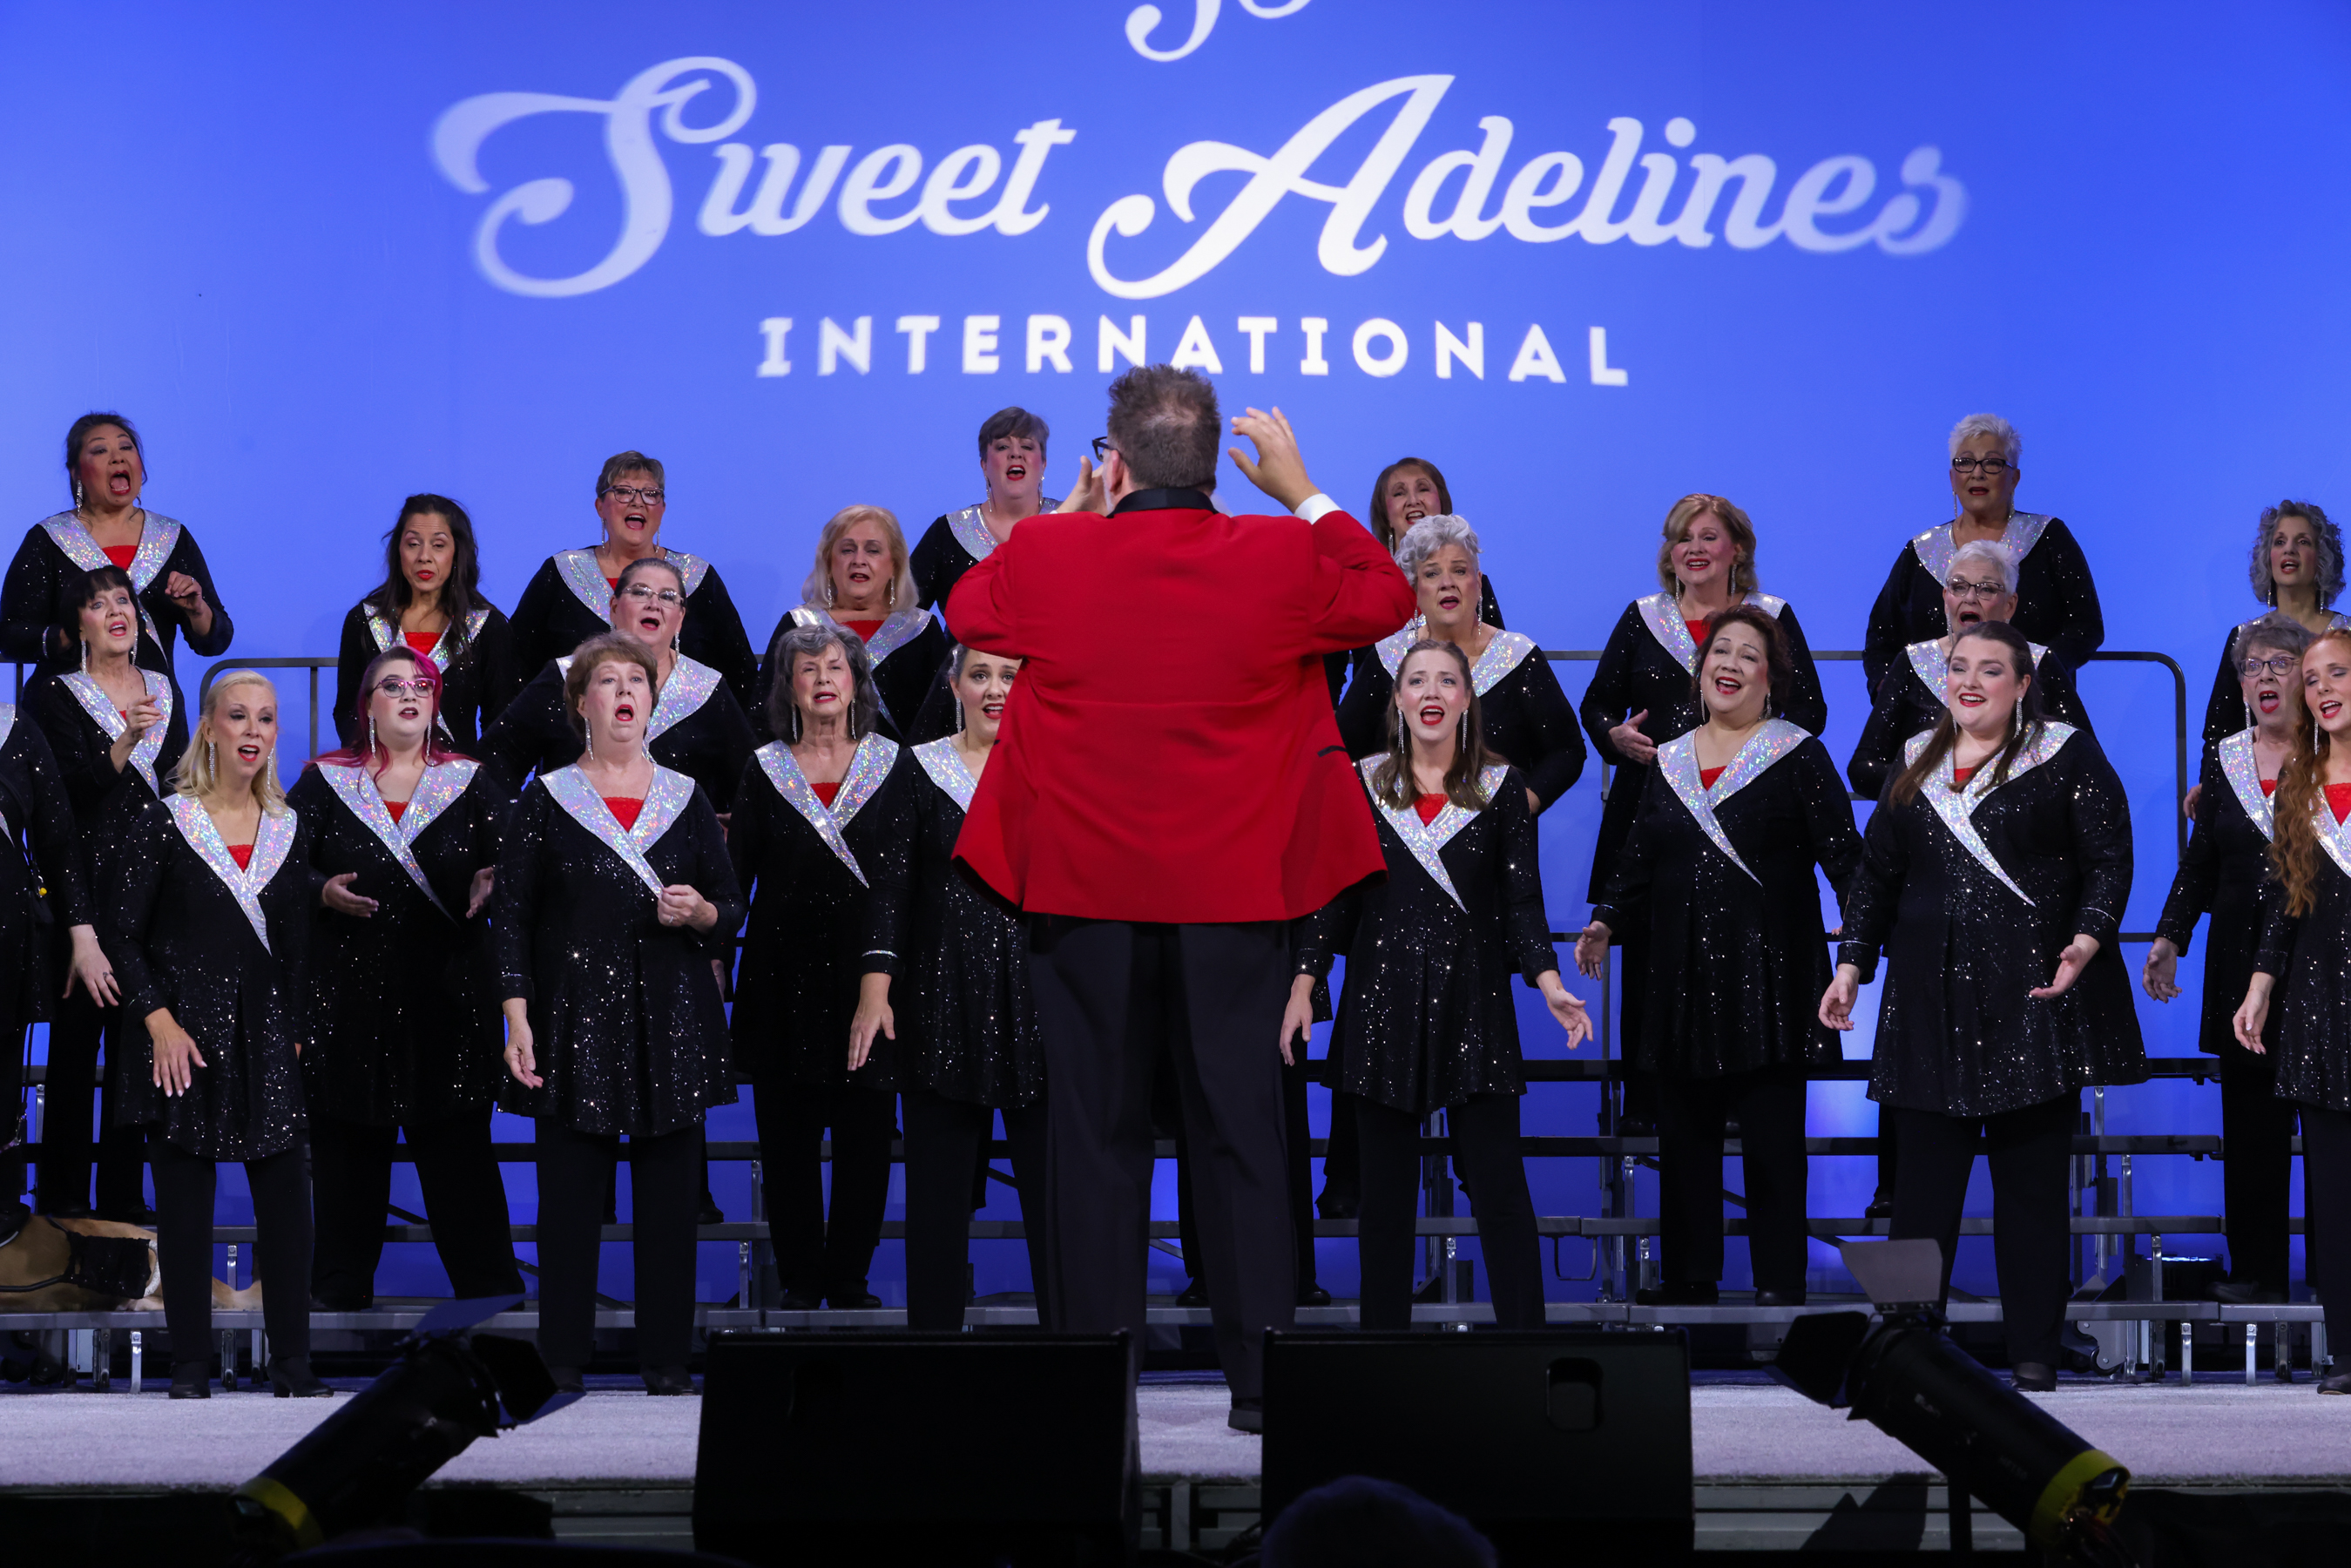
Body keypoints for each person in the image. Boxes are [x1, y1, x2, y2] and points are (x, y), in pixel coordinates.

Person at [947, 365, 1415, 1431]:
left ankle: (1092, 1387)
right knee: (1242, 1136)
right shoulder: (1281, 551)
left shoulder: (1052, 553)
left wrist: (1066, 517)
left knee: (1091, 1140)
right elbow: (1387, 598)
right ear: (1216, 464)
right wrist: (1302, 490)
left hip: (1083, 897)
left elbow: (968, 610)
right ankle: (1261, 1386)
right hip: (1234, 899)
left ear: (1112, 461)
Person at [1821, 622, 2145, 1391]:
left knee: (2030, 1192)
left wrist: (2086, 941)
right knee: (1918, 1202)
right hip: (1927, 1004)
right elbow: (1876, 877)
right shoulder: (1912, 761)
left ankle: (2034, 1350)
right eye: (1958, 668)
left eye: (1989, 669)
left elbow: (2109, 857)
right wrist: (1850, 966)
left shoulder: (2064, 752)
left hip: (2030, 1000)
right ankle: (1905, 1350)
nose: (1968, 682)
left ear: (2023, 684)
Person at [1287, 639, 1590, 1329]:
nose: (1431, 691)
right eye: (1417, 680)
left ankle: (1526, 1348)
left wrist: (1548, 981)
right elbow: (1331, 899)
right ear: (1397, 700)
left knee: (1499, 1191)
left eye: (1446, 680)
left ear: (1464, 699)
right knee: (1384, 1203)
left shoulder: (1502, 787)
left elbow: (1521, 901)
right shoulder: (1359, 784)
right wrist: (1304, 980)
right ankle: (1383, 1354)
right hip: (1381, 1006)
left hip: (1474, 1004)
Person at [1577, 608, 1861, 1307]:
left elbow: (1845, 860)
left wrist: (1856, 953)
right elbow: (1638, 856)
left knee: (1772, 1142)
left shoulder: (1797, 753)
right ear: (1701, 672)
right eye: (1719, 653)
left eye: (1747, 655)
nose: (1728, 664)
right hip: (1680, 973)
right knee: (1684, 1140)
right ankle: (1689, 1277)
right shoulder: (1669, 760)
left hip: (1771, 976)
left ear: (1771, 679)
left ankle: (1779, 1281)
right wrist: (1605, 920)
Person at [495, 633, 742, 1393]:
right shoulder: (546, 798)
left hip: (671, 1018)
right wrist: (517, 1019)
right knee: (569, 1205)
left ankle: (666, 1361)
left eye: (636, 679)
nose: (625, 690)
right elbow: (512, 918)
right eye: (608, 681)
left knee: (669, 1204)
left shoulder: (685, 797)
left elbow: (729, 908)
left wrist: (702, 913)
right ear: (582, 704)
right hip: (572, 1019)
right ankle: (563, 1359)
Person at [101, 672, 326, 1397]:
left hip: (266, 1036)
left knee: (288, 1209)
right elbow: (120, 935)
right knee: (185, 1209)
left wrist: (294, 1033)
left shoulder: (289, 828)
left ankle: (293, 1365)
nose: (253, 730)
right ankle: (190, 1368)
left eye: (266, 718)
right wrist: (158, 1021)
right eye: (238, 716)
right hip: (181, 1039)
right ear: (208, 728)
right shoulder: (165, 822)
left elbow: (299, 949)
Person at [1579, 494, 1827, 1134]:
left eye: (1708, 536)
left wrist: (1751, 751)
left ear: (1736, 548)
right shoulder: (1642, 618)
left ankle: (1746, 1097)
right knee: (1652, 952)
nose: (1692, 548)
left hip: (1749, 822)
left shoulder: (1770, 618)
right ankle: (1649, 1102)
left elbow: (1810, 711)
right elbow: (1597, 704)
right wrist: (1613, 736)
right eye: (1681, 537)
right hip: (1654, 811)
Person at [293, 646, 521, 1310]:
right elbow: (281, 869)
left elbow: (521, 864)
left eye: (421, 684)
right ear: (367, 706)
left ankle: (491, 1300)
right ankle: (338, 1295)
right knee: (346, 1155)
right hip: (346, 1000)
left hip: (448, 1000)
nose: (409, 694)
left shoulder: (470, 783)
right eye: (392, 686)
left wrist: (495, 878)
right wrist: (319, 890)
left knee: (459, 1158)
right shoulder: (325, 783)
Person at [729, 621, 910, 1310]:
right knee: (788, 1142)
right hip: (779, 978)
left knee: (867, 1139)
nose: (823, 679)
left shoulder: (893, 765)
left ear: (857, 683)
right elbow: (736, 879)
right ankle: (802, 1280)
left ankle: (850, 1280)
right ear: (789, 689)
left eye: (835, 666)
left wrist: (881, 981)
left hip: (871, 978)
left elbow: (901, 882)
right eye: (808, 670)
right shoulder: (763, 768)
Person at [876, 644, 1050, 1329]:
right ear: (954, 686)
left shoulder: (1056, 770)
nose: (995, 688)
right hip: (937, 1002)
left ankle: (1074, 1349)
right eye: (980, 675)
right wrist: (875, 985)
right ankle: (934, 1349)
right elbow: (890, 890)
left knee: (1055, 1197)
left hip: (1041, 1004)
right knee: (937, 1198)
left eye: (1010, 675)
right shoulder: (917, 770)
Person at [2147, 614, 2310, 1305]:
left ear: (2307, 678)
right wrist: (2168, 938)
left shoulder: (2333, 755)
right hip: (2237, 958)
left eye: (2279, 664)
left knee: (2330, 1133)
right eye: (2252, 667)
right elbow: (2200, 862)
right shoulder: (2225, 759)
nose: (2263, 676)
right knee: (2249, 1132)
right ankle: (2257, 1273)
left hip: (2319, 963)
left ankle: (2336, 1279)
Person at [27, 566, 184, 1220]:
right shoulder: (53, 694)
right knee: (73, 1055)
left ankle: (124, 1210)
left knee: (136, 1055)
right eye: (98, 604)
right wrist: (123, 743)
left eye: (124, 599)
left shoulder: (166, 689)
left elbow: (181, 789)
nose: (116, 610)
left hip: (153, 897)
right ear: (78, 626)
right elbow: (58, 803)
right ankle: (63, 1210)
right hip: (83, 898)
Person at [2232, 627, 2351, 1393]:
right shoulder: (2298, 785)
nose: (2321, 689)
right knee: (2333, 1193)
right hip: (2320, 1006)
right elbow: (2284, 900)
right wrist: (2259, 985)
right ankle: (2347, 1351)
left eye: (2336, 673)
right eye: (2312, 680)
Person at [1335, 516, 1584, 814]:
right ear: (1415, 589)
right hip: (1402, 834)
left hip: (1497, 838)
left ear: (1478, 583)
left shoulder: (1518, 657)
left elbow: (1567, 750)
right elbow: (1343, 750)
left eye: (1459, 570)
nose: (1447, 583)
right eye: (1432, 573)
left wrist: (1520, 806)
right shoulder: (1388, 659)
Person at [481, 556, 758, 814]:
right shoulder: (566, 677)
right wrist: (520, 826)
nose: (654, 604)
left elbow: (752, 788)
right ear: (614, 608)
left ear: (680, 618)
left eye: (667, 597)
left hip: (679, 850)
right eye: (640, 592)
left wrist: (722, 833)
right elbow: (496, 759)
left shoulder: (707, 689)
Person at [1861, 413, 2104, 701]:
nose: (1977, 473)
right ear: (1952, 478)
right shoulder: (1920, 552)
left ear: (2014, 478)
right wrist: (1892, 692)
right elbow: (1881, 639)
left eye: (1992, 463)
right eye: (1965, 462)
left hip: (2031, 704)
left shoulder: (2048, 538)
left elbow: (2085, 627)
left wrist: (2035, 675)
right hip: (1933, 715)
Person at [2, 413, 233, 706]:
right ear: (75, 472)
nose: (117, 458)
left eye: (126, 447)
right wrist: (71, 634)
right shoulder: (49, 539)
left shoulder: (171, 537)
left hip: (155, 714)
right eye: (100, 450)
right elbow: (11, 635)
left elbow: (216, 642)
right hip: (65, 714)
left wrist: (197, 611)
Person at [504, 450, 757, 708]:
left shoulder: (697, 578)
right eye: (624, 492)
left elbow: (742, 676)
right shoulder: (562, 573)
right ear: (600, 507)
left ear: (662, 509)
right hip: (576, 730)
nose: (638, 502)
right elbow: (513, 668)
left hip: (685, 732)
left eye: (650, 493)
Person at [1847, 538, 2091, 801]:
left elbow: (2086, 764)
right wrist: (1934, 790)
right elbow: (1863, 769)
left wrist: (2009, 792)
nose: (1970, 598)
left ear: (2010, 604)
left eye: (1987, 589)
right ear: (1945, 599)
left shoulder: (2039, 663)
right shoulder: (1913, 663)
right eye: (1959, 587)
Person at [2192, 504, 2348, 815]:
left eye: (2303, 541)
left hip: (2335, 790)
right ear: (2268, 558)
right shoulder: (2244, 638)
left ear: (2322, 558)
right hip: (2260, 794)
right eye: (2280, 542)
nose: (2289, 549)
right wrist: (2210, 786)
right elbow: (2220, 730)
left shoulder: (2346, 637)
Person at [332, 495, 519, 754]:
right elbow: (349, 712)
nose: (424, 557)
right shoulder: (365, 622)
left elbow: (502, 723)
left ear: (457, 553)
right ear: (398, 550)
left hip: (459, 775)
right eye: (413, 544)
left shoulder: (487, 627)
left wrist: (477, 777)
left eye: (438, 545)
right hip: (379, 772)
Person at [757, 505, 950, 745]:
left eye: (873, 550)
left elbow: (944, 721)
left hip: (904, 767)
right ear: (828, 562)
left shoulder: (920, 629)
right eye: (847, 550)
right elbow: (764, 718)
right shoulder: (797, 626)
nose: (859, 560)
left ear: (895, 564)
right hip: (810, 764)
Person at [1342, 457, 1500, 706]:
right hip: (1378, 719)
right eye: (1399, 493)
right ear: (1385, 514)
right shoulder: (1359, 587)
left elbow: (1495, 664)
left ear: (1442, 504)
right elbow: (1329, 676)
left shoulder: (1472, 585)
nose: (1413, 500)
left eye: (1423, 489)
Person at [909, 407, 1061, 630]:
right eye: (1002, 447)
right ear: (984, 466)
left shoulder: (1072, 523)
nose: (1015, 454)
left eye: (1027, 447)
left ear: (1043, 464)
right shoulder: (948, 532)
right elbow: (900, 615)